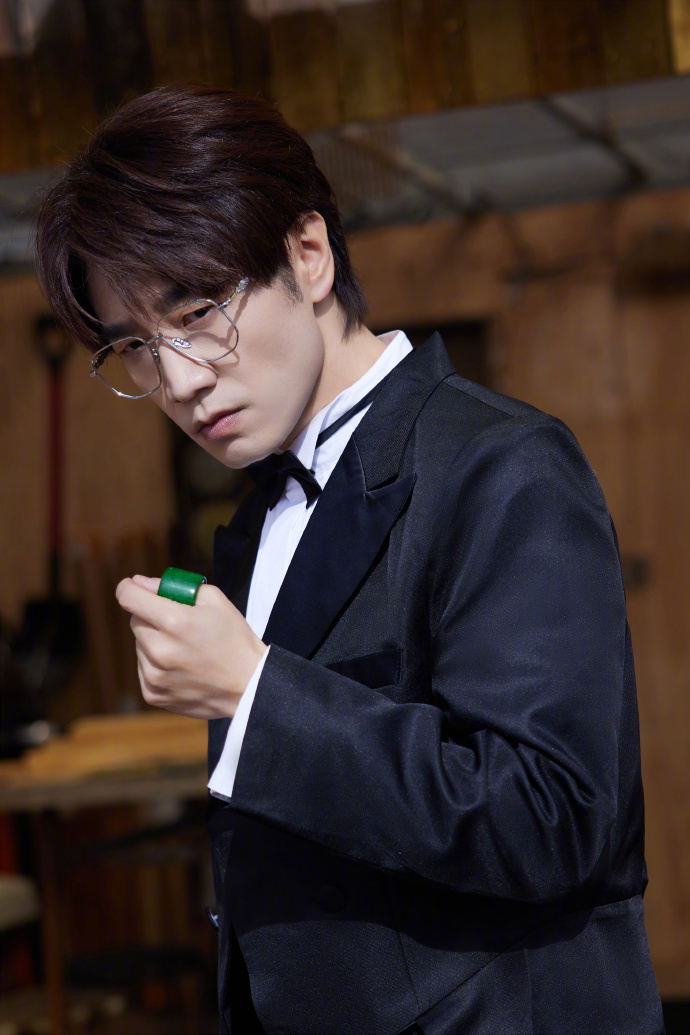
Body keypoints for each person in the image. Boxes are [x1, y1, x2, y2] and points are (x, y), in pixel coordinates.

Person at [35, 85, 663, 1035]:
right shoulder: (253, 524)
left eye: (199, 311)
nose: (178, 379)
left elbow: (554, 815)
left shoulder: (504, 465)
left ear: (309, 254)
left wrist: (254, 694)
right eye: (134, 346)